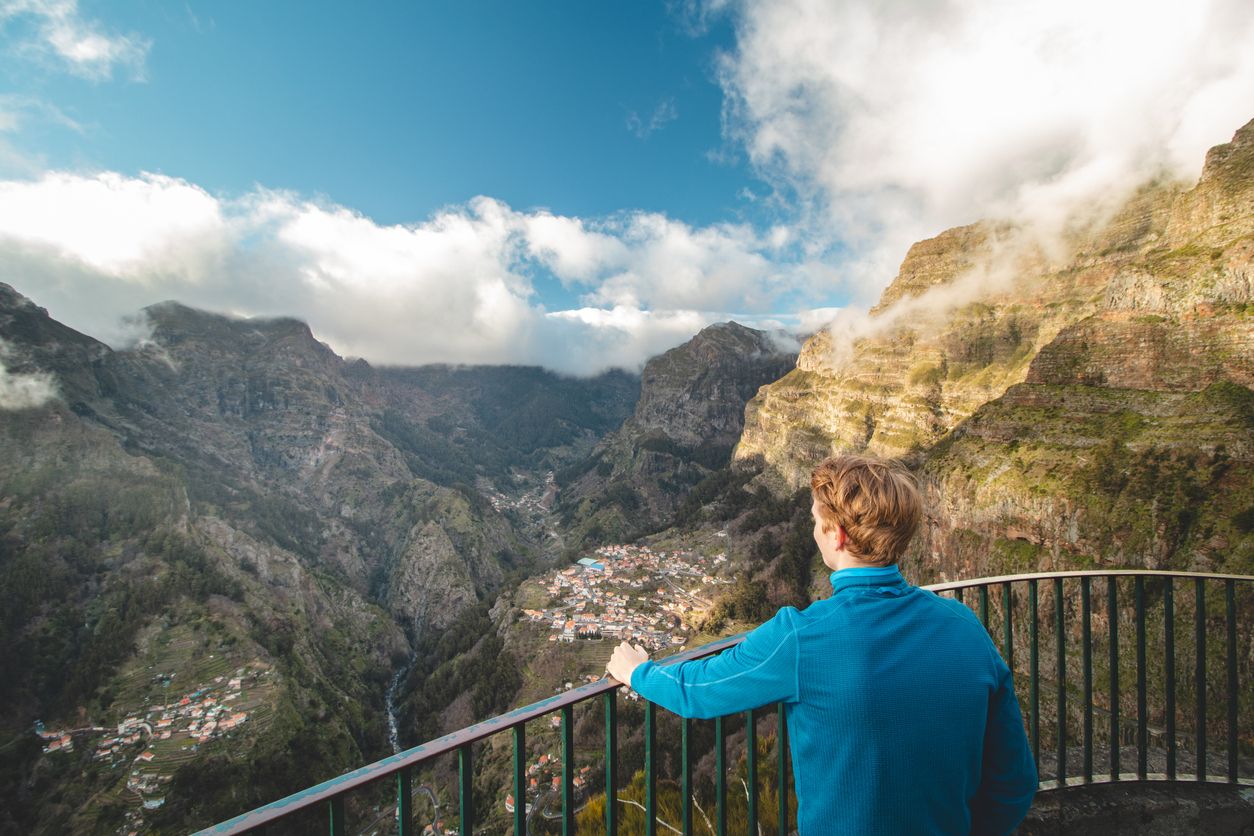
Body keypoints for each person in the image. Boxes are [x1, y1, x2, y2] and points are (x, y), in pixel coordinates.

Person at [607, 454, 1037, 835]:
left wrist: (637, 672)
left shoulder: (803, 636)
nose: (813, 530)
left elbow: (699, 690)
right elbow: (1014, 782)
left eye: (816, 520)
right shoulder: (965, 626)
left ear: (839, 536)